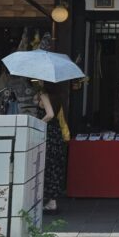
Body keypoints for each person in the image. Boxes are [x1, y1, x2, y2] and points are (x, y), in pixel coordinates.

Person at [37, 81, 70, 214]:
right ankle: (52, 201)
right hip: (56, 134)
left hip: (48, 133)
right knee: (54, 167)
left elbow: (49, 114)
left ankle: (47, 200)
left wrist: (38, 123)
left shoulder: (44, 95)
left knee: (46, 166)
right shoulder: (59, 96)